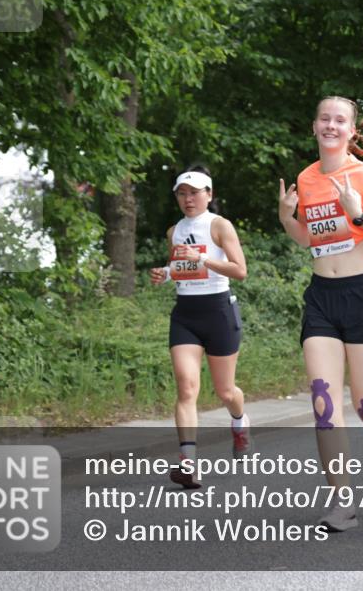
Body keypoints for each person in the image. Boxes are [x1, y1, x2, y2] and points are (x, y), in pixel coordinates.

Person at [278, 96, 363, 532]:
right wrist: (286, 219)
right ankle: (342, 502)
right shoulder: (306, 178)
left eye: (341, 120)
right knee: (323, 402)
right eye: (325, 119)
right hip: (322, 297)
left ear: (353, 131)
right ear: (314, 125)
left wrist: (358, 212)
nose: (331, 126)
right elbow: (310, 239)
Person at [149, 167, 251, 489]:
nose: (188, 199)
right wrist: (165, 274)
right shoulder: (174, 231)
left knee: (225, 392)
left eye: (194, 192)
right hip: (186, 314)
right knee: (186, 388)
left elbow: (240, 270)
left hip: (219, 312)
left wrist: (204, 260)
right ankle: (189, 464)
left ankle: (239, 422)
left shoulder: (219, 226)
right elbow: (180, 268)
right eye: (182, 193)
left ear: (209, 194)